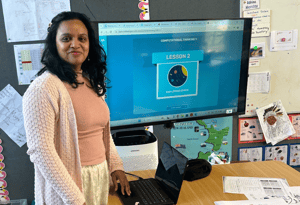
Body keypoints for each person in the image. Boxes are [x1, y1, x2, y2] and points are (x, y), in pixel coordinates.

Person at [23, 11, 131, 205]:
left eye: (82, 38)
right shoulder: (43, 88)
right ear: (54, 45)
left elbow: (101, 132)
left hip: (99, 177)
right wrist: (75, 199)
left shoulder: (92, 82)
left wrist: (116, 166)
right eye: (66, 38)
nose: (75, 44)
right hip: (67, 187)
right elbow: (41, 151)